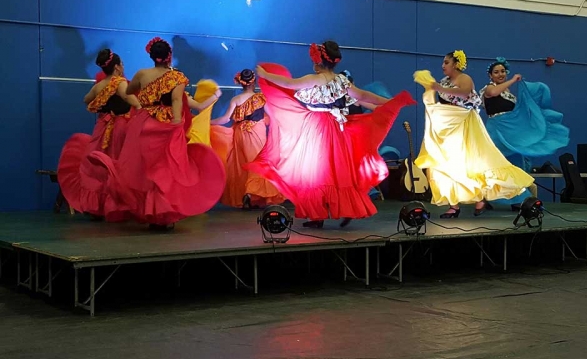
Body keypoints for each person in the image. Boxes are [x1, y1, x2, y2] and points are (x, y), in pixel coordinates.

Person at [246, 40, 416, 228]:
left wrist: (265, 74)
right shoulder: (341, 81)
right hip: (335, 128)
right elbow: (364, 96)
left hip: (317, 128)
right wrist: (390, 101)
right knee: (336, 172)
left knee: (315, 172)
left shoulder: (315, 79)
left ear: (318, 61)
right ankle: (341, 209)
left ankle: (317, 215)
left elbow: (289, 83)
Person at [88, 37, 226, 228]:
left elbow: (129, 89)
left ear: (152, 56)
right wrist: (176, 122)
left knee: (143, 168)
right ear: (169, 57)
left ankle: (147, 211)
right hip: (167, 123)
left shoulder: (142, 74)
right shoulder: (176, 78)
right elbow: (177, 100)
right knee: (166, 169)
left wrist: (146, 94)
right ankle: (161, 212)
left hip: (144, 122)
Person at [413, 50, 534, 218]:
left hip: (465, 126)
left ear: (455, 64)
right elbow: (439, 100)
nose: (443, 66)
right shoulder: (443, 81)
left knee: (474, 163)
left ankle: (481, 199)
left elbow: (463, 93)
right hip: (447, 129)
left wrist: (437, 88)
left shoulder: (465, 79)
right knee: (447, 165)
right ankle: (453, 205)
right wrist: (429, 91)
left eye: (446, 62)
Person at [58, 49, 140, 216]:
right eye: (122, 64)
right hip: (120, 127)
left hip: (102, 127)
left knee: (100, 166)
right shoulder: (119, 83)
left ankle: (99, 206)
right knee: (118, 163)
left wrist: (104, 106)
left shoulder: (99, 85)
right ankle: (117, 206)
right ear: (117, 67)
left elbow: (86, 99)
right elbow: (132, 101)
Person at [210, 69, 285, 209]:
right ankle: (251, 193)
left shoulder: (236, 100)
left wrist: (208, 122)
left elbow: (225, 119)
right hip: (257, 131)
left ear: (241, 84)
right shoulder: (261, 98)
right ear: (254, 81)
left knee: (243, 165)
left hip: (240, 133)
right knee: (259, 163)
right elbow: (274, 117)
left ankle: (250, 195)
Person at [480, 57, 570, 171]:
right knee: (497, 160)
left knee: (516, 161)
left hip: (511, 131)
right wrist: (513, 80)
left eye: (503, 71)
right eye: (496, 72)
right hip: (496, 129)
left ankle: (519, 185)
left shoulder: (508, 93)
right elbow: (493, 92)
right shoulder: (489, 88)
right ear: (490, 75)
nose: (500, 74)